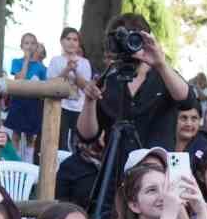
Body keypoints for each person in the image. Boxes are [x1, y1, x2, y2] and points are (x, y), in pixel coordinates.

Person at [76, 13, 194, 151]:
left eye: (132, 39)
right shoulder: (109, 82)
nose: (126, 46)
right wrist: (89, 101)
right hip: (117, 168)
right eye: (119, 41)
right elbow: (87, 136)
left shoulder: (164, 77)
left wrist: (161, 63)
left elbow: (187, 101)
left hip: (155, 167)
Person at [7, 31, 49, 151]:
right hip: (18, 100)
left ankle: (28, 161)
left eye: (32, 43)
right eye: (26, 43)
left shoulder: (41, 67)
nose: (29, 46)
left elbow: (43, 87)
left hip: (33, 103)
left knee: (31, 137)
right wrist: (26, 60)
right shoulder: (16, 62)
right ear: (21, 46)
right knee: (16, 134)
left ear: (36, 46)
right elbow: (19, 78)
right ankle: (15, 161)